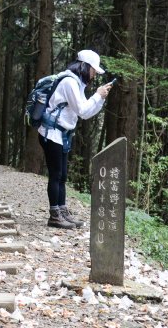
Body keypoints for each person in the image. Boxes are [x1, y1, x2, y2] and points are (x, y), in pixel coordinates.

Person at [38, 49, 111, 229]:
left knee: (62, 176)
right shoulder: (70, 82)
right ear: (85, 66)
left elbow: (85, 113)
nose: (94, 74)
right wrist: (97, 95)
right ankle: (54, 215)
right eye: (94, 70)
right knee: (56, 175)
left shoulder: (77, 84)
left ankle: (62, 212)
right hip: (51, 133)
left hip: (61, 134)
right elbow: (82, 110)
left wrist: (100, 99)